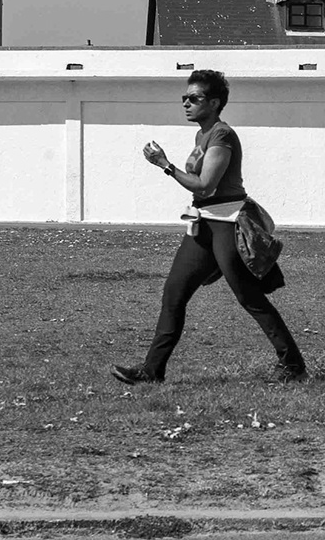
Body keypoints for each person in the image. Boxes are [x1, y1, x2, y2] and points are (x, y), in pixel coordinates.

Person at [109, 69, 307, 384]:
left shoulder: (221, 134)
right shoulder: (201, 134)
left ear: (214, 102)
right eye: (184, 98)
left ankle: (293, 366)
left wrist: (166, 165)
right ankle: (151, 371)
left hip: (227, 225)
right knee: (174, 293)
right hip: (203, 225)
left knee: (249, 298)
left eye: (194, 98)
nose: (186, 103)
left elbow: (205, 185)